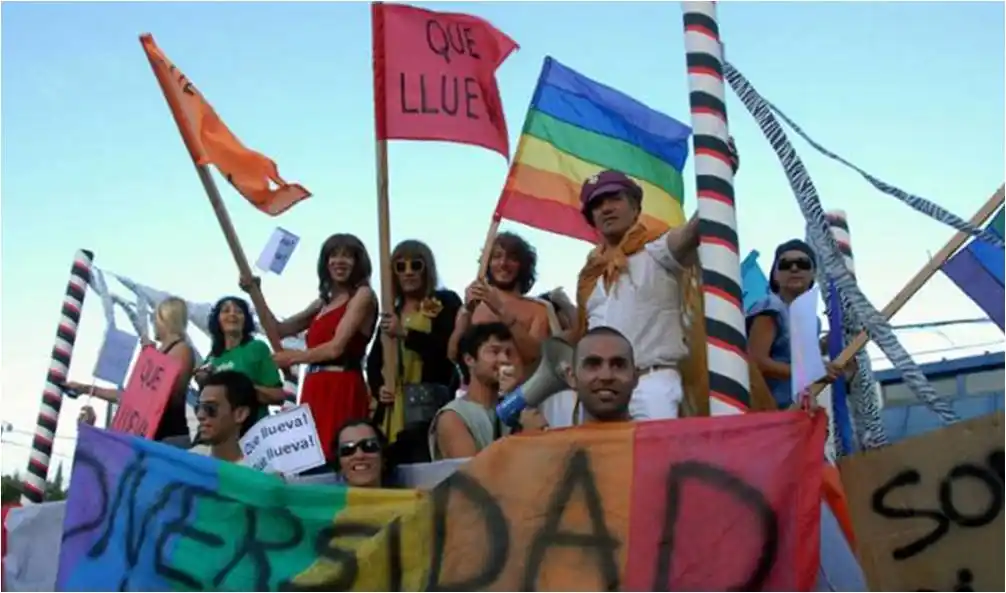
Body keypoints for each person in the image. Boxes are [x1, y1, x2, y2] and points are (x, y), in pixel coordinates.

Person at [571, 170, 700, 421]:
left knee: (656, 459)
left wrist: (716, 177)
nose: (606, 208)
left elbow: (693, 232)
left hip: (651, 386)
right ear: (592, 218)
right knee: (602, 460)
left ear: (635, 207)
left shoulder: (657, 250)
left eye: (614, 199)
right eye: (597, 204)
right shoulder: (589, 278)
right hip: (600, 393)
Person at [246, 233, 378, 463]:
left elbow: (336, 347)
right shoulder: (322, 303)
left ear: (358, 262)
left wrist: (293, 358)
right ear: (325, 263)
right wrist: (255, 294)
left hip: (342, 383)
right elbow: (278, 330)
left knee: (336, 455)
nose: (339, 261)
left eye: (347, 256)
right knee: (311, 458)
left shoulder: (363, 295)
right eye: (333, 255)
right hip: (314, 387)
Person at [366, 240, 462, 465]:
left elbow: (447, 353)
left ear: (427, 268)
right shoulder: (391, 312)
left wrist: (406, 334)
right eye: (401, 267)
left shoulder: (446, 303)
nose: (408, 272)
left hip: (429, 407)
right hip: (392, 411)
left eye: (415, 265)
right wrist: (379, 387)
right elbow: (373, 362)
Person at [67, 297, 195, 447]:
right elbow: (131, 397)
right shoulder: (161, 353)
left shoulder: (181, 350)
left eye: (155, 319)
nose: (153, 324)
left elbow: (166, 395)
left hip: (168, 437)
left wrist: (153, 360)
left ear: (164, 319)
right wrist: (86, 389)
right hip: (148, 437)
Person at [747, 239, 843, 409]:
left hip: (795, 412)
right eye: (785, 264)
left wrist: (825, 350)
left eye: (803, 263)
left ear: (813, 273)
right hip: (763, 413)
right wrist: (811, 372)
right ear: (775, 275)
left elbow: (795, 358)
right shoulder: (770, 306)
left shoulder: (813, 321)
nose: (794, 268)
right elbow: (755, 361)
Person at [449, 232, 551, 371]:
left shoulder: (538, 310)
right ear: (487, 263)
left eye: (512, 258)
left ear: (523, 265)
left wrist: (502, 311)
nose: (503, 263)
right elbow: (453, 355)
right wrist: (467, 312)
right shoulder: (473, 306)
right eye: (496, 256)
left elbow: (536, 359)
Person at [429, 322, 524, 461]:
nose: (505, 359)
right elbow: (473, 475)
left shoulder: (516, 409)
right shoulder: (453, 416)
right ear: (469, 359)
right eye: (494, 352)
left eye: (508, 353)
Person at [195, 296, 286, 423]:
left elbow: (278, 396)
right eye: (226, 311)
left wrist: (238, 385)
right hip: (222, 436)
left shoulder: (257, 348)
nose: (232, 314)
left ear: (246, 320)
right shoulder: (212, 358)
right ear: (217, 320)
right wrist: (203, 383)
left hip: (255, 432)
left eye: (239, 311)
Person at [196, 370, 257, 463]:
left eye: (210, 408)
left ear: (240, 414)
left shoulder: (260, 471)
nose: (200, 415)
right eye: (198, 407)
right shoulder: (191, 460)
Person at [332, 418, 394, 488]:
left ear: (383, 458)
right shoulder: (322, 498)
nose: (359, 455)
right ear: (339, 465)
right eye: (347, 449)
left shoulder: (407, 497)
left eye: (369, 446)